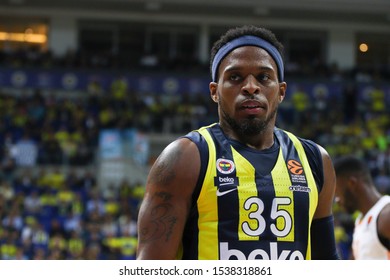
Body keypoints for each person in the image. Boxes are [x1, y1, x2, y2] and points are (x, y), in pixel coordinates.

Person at [136, 25, 339, 260]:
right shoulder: (185, 158)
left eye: (263, 77)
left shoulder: (315, 160)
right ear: (214, 91)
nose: (251, 87)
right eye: (235, 77)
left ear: (281, 91)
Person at [334, 155, 390, 259]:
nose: (337, 201)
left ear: (352, 183)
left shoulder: (386, 215)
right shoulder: (360, 221)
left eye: (337, 193)